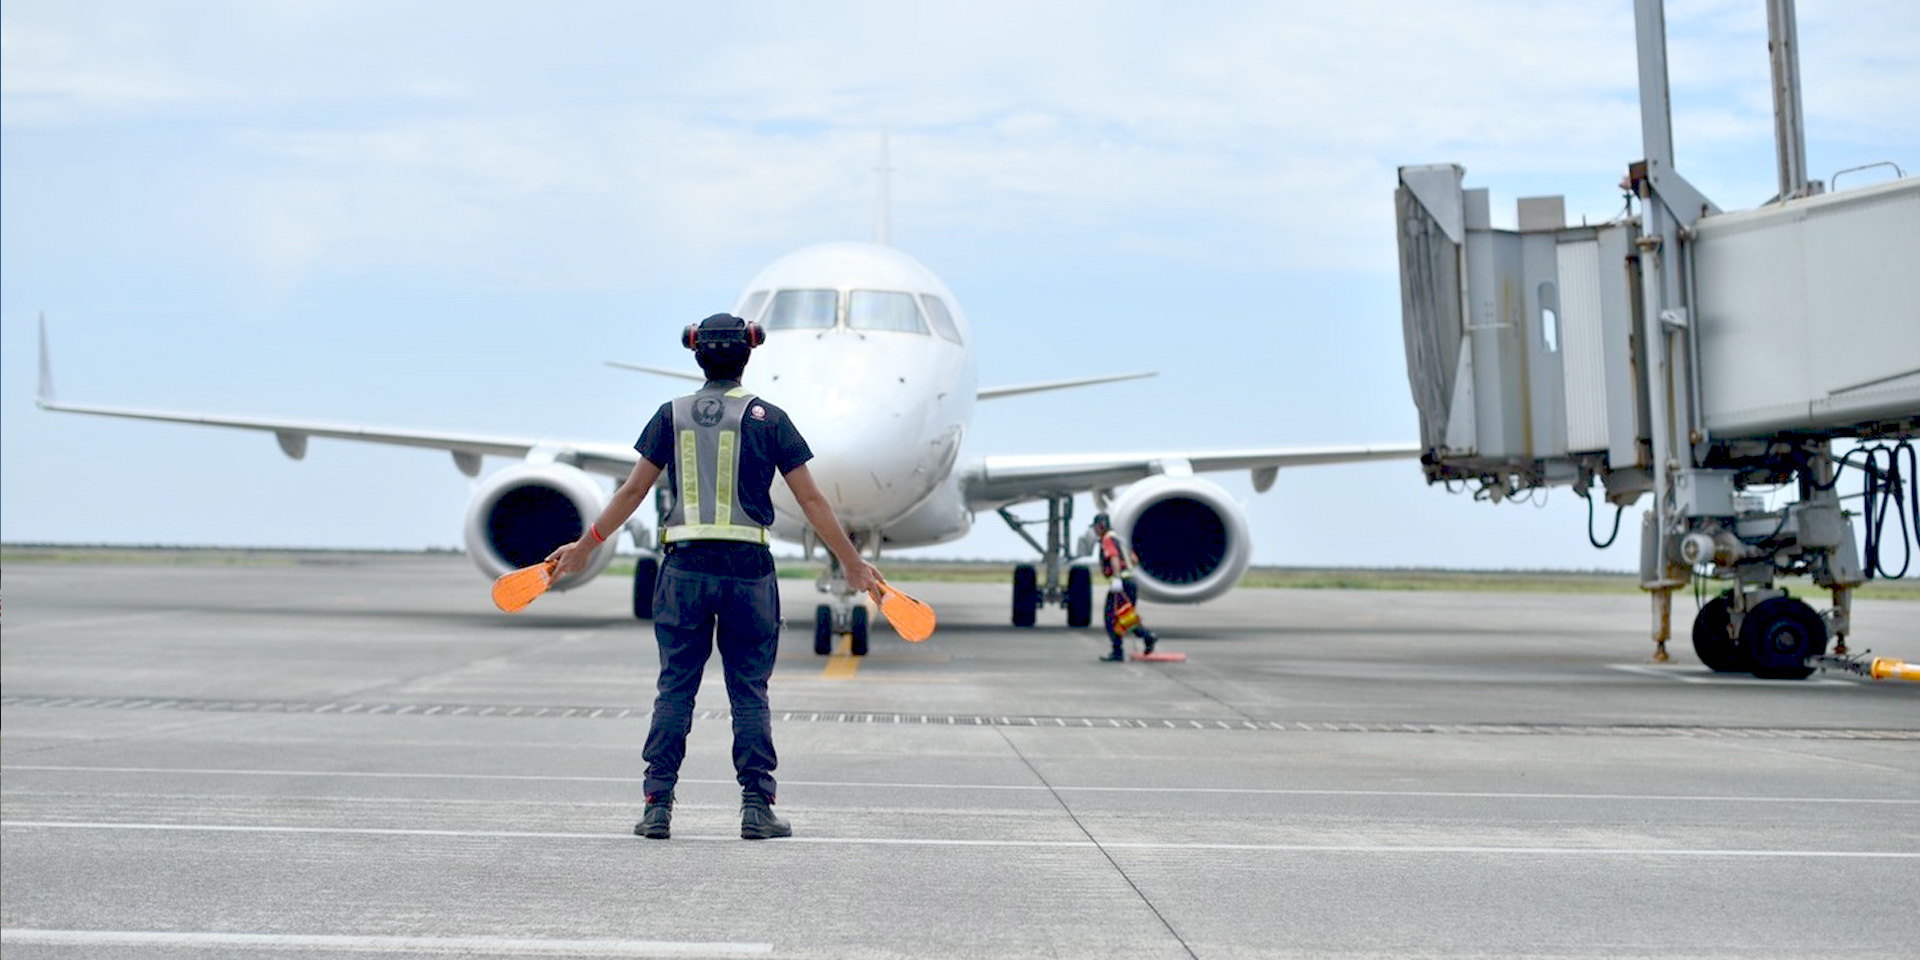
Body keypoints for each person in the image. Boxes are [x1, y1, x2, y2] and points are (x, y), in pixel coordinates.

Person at [548, 313, 881, 841]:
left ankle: (657, 806)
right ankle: (756, 807)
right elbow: (812, 500)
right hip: (749, 571)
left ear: (696, 352)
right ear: (749, 352)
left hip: (684, 569)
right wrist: (851, 561)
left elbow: (632, 492)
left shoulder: (670, 415)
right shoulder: (770, 419)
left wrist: (587, 546)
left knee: (674, 690)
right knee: (749, 692)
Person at [1092, 512, 1157, 662]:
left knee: (1111, 617)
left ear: (1100, 526)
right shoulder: (1120, 539)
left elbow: (1113, 557)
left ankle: (1118, 651)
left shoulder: (1107, 539)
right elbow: (1134, 559)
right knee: (1125, 616)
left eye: (1096, 527)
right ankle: (1147, 637)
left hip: (1121, 583)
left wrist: (1116, 578)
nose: (1095, 530)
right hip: (1131, 581)